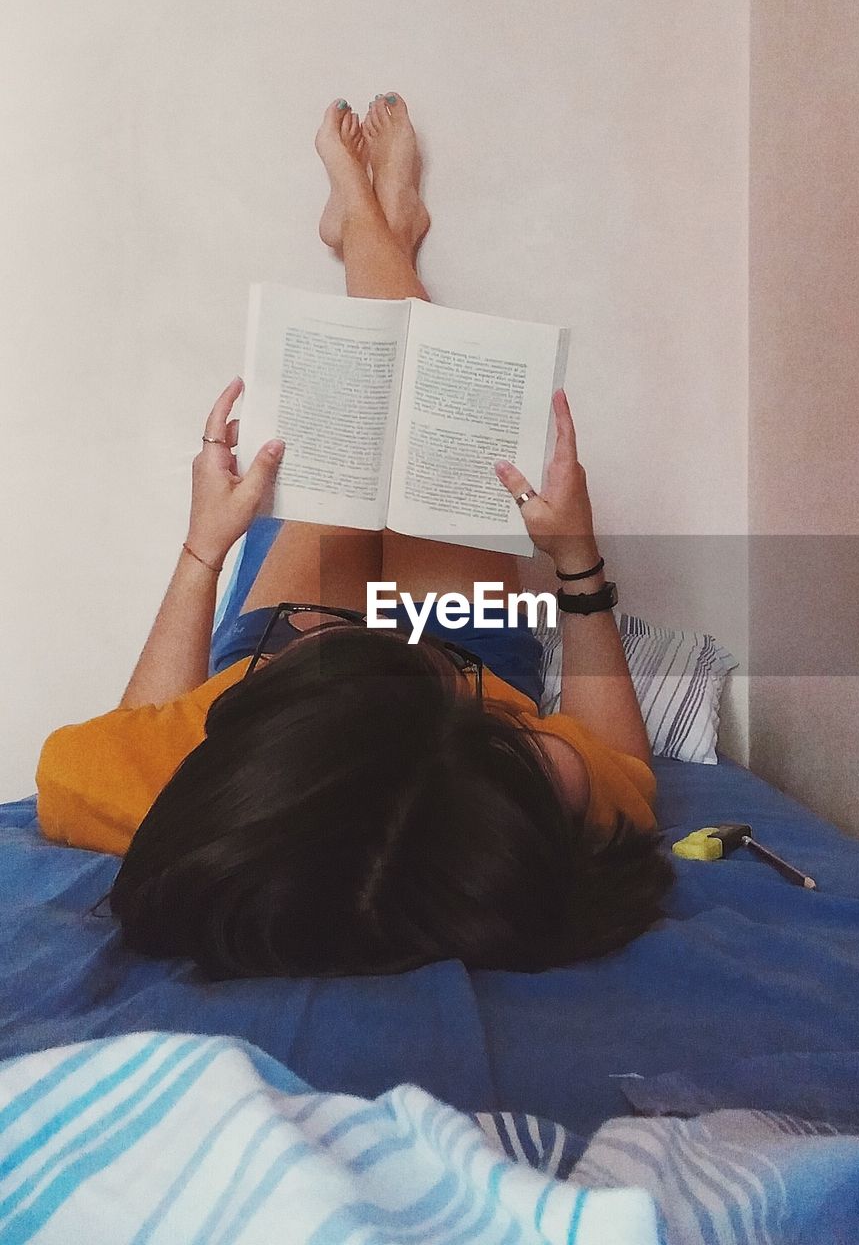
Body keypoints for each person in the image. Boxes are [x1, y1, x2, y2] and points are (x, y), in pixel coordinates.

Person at [36, 94, 673, 979]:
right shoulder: (508, 803)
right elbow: (627, 783)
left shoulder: (158, 794)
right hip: (467, 655)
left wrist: (203, 551)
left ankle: (367, 232)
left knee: (349, 423)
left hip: (281, 649)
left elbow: (116, 738)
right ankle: (381, 233)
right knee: (449, 433)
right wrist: (576, 561)